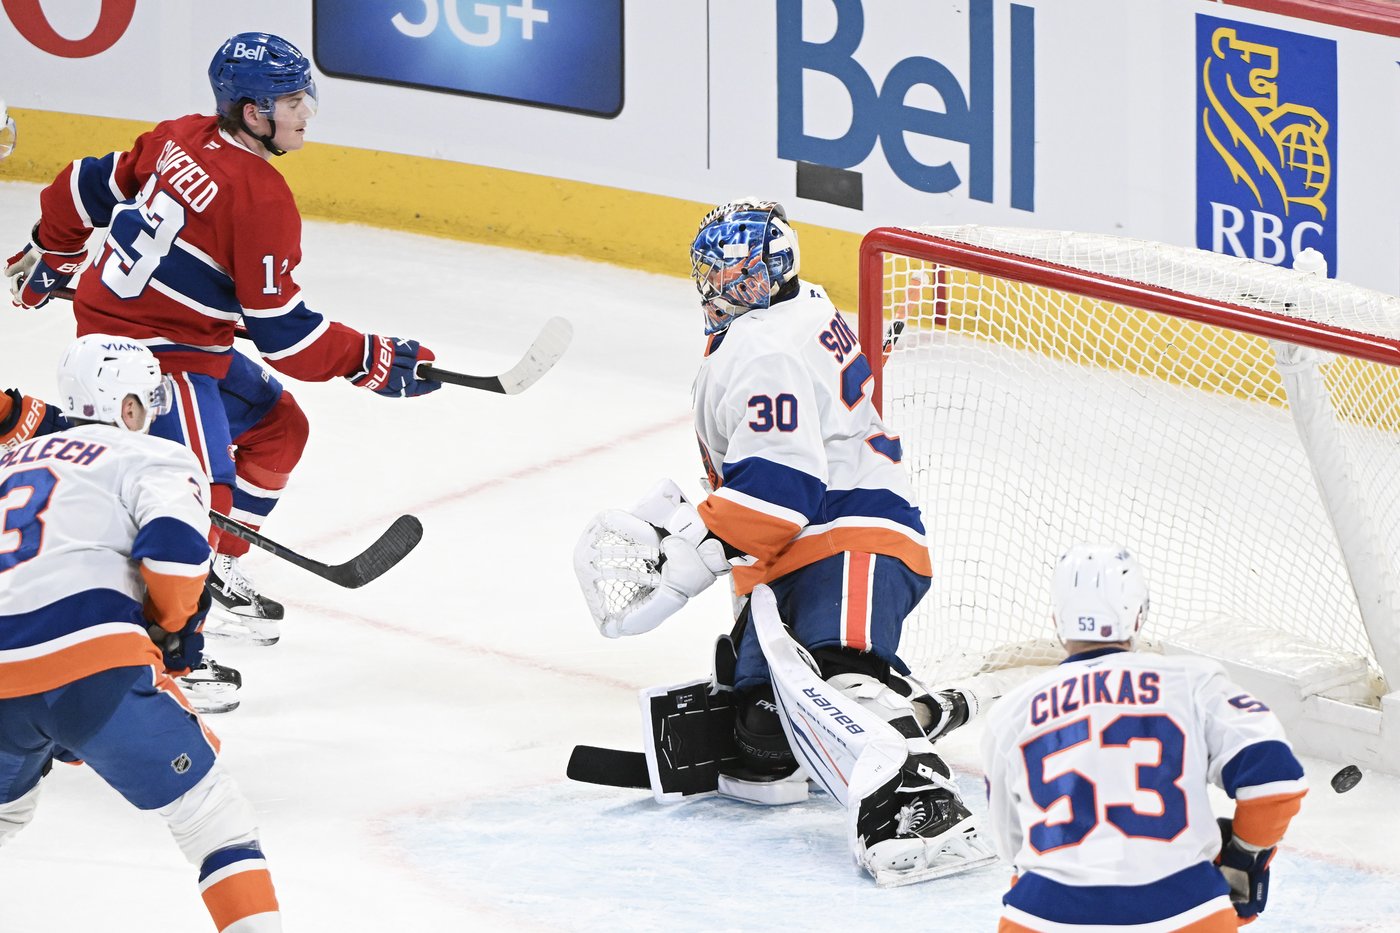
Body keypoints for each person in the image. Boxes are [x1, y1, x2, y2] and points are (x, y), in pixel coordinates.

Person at [573, 198, 989, 885]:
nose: (727, 289)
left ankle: (921, 800)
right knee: (763, 737)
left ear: (777, 270)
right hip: (796, 547)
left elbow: (782, 487)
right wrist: (704, 529)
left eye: (744, 276)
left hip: (850, 534)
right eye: (717, 274)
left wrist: (693, 553)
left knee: (842, 682)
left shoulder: (761, 346)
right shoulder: (795, 310)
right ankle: (914, 711)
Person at [3, 32, 442, 672]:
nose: (306, 112)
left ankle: (213, 569)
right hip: (154, 355)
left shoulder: (180, 134)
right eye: (291, 102)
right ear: (252, 113)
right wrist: (366, 358)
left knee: (279, 429)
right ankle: (166, 649)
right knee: (194, 495)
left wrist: (54, 249)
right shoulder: (260, 197)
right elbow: (284, 334)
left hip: (154, 331)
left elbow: (84, 185)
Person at [0, 334, 281, 932]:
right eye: (147, 400)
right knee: (212, 817)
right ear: (126, 405)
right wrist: (173, 629)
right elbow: (176, 557)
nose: (152, 413)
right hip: (88, 660)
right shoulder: (155, 456)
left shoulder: (10, 461)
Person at [980, 544, 1308, 931]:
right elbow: (1274, 780)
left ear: (1057, 619)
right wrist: (1244, 858)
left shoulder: (1010, 711)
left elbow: (1013, 845)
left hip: (1043, 918)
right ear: (1138, 615)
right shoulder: (1193, 682)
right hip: (1186, 911)